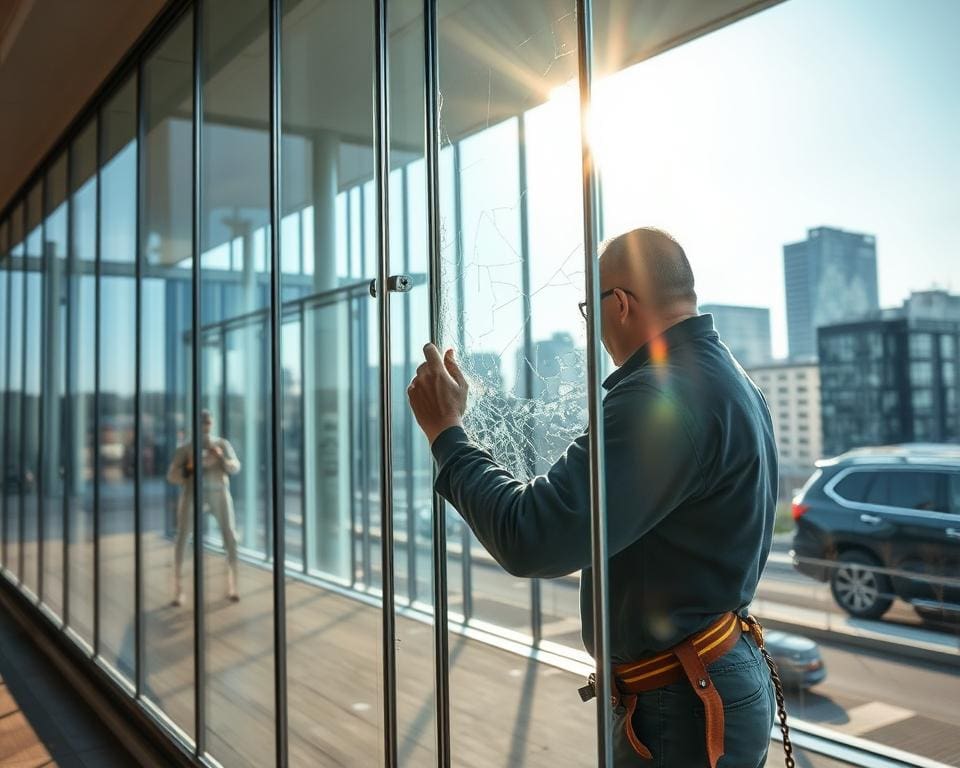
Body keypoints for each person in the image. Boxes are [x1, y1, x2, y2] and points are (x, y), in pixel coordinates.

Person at [407, 228, 780, 767]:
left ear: (620, 304)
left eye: (590, 310)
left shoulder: (660, 395)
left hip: (680, 705)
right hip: (706, 676)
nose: (592, 330)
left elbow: (532, 536)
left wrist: (447, 433)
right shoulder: (730, 380)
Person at [166, 409, 242, 605]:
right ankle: (177, 590)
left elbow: (235, 467)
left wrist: (221, 458)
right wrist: (189, 467)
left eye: (208, 422)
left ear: (212, 423)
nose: (205, 426)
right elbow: (172, 476)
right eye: (202, 423)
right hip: (192, 493)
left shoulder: (222, 444)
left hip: (219, 492)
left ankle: (233, 586)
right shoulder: (185, 449)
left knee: (230, 536)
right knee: (182, 536)